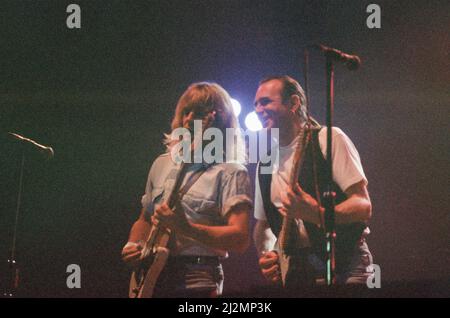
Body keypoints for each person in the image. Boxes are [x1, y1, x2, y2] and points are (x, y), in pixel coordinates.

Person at [122, 82, 252, 297]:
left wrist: (186, 228)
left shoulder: (231, 172)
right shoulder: (161, 164)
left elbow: (239, 239)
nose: (189, 119)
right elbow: (144, 219)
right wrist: (133, 244)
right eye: (185, 112)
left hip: (197, 278)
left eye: (199, 113)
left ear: (218, 122)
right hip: (151, 276)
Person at [252, 75, 373, 289]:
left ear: (293, 103)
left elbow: (363, 206)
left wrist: (317, 214)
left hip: (347, 264)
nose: (258, 110)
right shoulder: (265, 163)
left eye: (266, 102)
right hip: (298, 271)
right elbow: (263, 225)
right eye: (256, 104)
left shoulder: (328, 138)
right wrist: (268, 254)